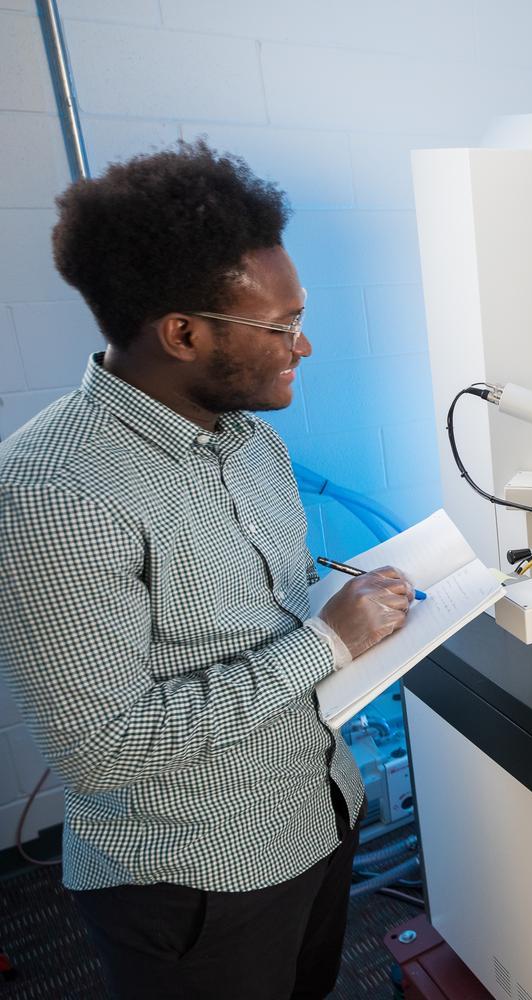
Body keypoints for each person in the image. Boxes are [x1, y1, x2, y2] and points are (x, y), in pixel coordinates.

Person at [0, 141, 417, 999]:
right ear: (183, 333)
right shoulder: (56, 491)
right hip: (198, 878)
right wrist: (329, 644)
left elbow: (261, 605)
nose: (303, 346)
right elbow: (106, 749)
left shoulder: (251, 439)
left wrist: (353, 604)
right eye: (281, 325)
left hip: (317, 815)